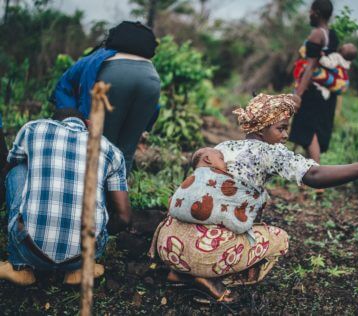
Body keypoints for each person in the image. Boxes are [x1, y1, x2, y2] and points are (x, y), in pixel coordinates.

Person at [149, 93, 358, 302]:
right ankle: (210, 280)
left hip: (168, 243)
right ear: (261, 130)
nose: (284, 136)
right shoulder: (270, 152)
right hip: (202, 252)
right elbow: (314, 175)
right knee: (279, 239)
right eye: (281, 129)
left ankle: (179, 274)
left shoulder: (222, 148)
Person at [0, 109, 132, 286]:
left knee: (18, 170)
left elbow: (8, 169)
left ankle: (21, 267)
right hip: (84, 254)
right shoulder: (110, 150)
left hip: (28, 249)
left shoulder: (33, 130)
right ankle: (78, 270)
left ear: (52, 121)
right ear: (88, 125)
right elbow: (124, 217)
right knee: (98, 183)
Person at [51, 21, 161, 174]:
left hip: (113, 76)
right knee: (126, 152)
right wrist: (145, 124)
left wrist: (71, 119)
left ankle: (93, 194)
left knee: (101, 146)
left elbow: (63, 86)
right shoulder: (148, 65)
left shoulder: (96, 57)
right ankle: (118, 193)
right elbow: (154, 107)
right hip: (151, 81)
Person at [164, 147, 267, 234]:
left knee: (177, 200)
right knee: (255, 199)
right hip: (209, 230)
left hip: (178, 214)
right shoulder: (220, 177)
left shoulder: (193, 177)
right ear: (208, 159)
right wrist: (261, 195)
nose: (225, 163)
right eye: (221, 159)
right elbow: (244, 193)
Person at [289, 0, 339, 165]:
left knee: (308, 132)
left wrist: (299, 94)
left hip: (312, 91)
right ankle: (307, 177)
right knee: (312, 132)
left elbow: (310, 66)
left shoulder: (317, 34)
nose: (308, 14)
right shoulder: (332, 35)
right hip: (326, 93)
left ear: (316, 12)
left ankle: (317, 178)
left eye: (310, 11)